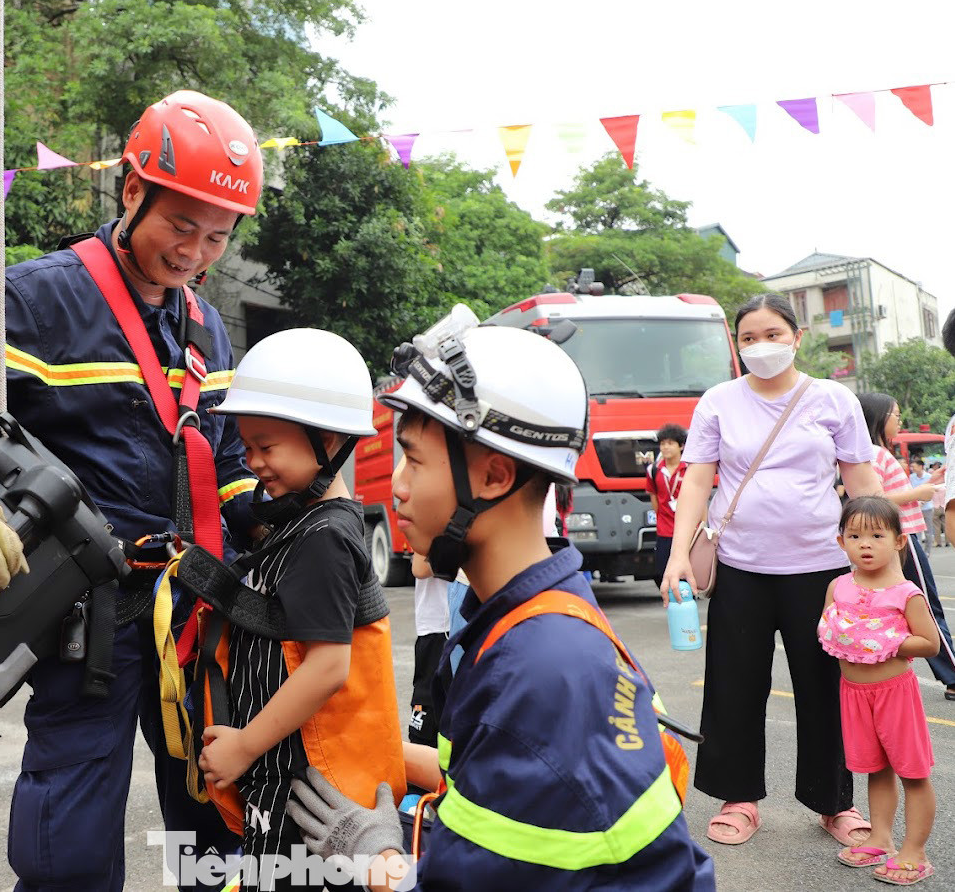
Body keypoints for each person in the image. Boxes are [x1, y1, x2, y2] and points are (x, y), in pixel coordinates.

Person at [0, 90, 265, 891]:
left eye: (216, 236)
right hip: (90, 620)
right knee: (67, 832)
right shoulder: (36, 299)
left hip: (196, 613)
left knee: (218, 817)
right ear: (132, 189)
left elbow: (227, 460)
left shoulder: (208, 327)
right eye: (181, 225)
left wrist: (288, 517)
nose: (195, 252)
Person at [285, 319, 715, 890]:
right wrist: (368, 751)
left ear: (493, 476)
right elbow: (484, 770)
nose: (396, 485)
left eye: (413, 460)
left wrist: (375, 858)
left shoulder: (541, 670)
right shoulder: (527, 616)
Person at [661, 292, 885, 848]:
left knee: (825, 688)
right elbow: (696, 480)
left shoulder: (833, 399)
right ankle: (740, 800)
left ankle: (834, 804)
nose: (760, 347)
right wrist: (679, 553)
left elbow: (861, 483)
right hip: (741, 567)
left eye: (773, 335)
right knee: (735, 687)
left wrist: (885, 561)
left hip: (823, 569)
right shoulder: (718, 401)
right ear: (737, 346)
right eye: (749, 338)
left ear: (797, 337)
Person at [197, 327, 405, 890]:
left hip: (309, 790)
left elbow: (327, 666)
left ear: (329, 441)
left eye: (267, 446)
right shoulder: (300, 526)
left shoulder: (323, 539)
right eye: (247, 446)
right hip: (288, 776)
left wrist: (243, 746)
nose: (251, 461)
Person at [820, 496, 939, 885]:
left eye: (876, 535)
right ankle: (881, 838)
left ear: (899, 541)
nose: (865, 544)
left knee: (913, 772)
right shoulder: (838, 586)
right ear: (842, 543)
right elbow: (829, 628)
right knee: (875, 767)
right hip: (853, 693)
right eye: (854, 536)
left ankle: (914, 851)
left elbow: (930, 643)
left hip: (894, 693)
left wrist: (886, 640)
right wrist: (848, 633)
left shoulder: (906, 593)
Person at [856, 392, 955, 702]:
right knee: (926, 606)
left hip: (899, 537)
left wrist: (926, 484)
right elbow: (873, 499)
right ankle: (953, 675)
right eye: (894, 414)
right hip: (902, 536)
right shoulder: (872, 452)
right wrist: (919, 494)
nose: (898, 420)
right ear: (877, 417)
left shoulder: (875, 451)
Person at [407, 552, 450, 748]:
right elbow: (420, 567)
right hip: (437, 628)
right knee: (425, 730)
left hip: (472, 625)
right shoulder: (437, 521)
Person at [640, 423, 688, 589]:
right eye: (662, 444)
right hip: (665, 529)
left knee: (688, 569)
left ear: (681, 446)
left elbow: (700, 500)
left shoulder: (689, 469)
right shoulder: (654, 470)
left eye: (670, 443)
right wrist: (661, 517)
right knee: (663, 568)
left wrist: (702, 525)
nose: (665, 447)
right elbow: (654, 497)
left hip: (689, 528)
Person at [909, 456, 937, 552]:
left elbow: (932, 492)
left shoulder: (929, 477)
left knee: (928, 531)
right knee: (917, 532)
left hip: (928, 508)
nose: (912, 469)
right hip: (916, 508)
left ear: (921, 466)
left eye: (914, 466)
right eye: (911, 467)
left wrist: (923, 502)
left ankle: (927, 552)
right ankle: (919, 551)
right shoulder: (911, 477)